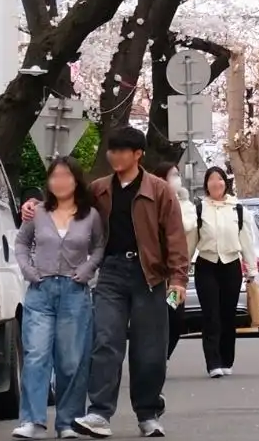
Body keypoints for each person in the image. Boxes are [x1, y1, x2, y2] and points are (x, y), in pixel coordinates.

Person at [23, 127, 188, 439]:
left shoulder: (159, 190)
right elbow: (65, 202)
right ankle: (99, 412)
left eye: (122, 150)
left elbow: (175, 237)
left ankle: (148, 413)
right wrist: (34, 204)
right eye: (112, 150)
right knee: (106, 342)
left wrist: (178, 279)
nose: (115, 156)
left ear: (138, 154)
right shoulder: (99, 189)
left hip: (150, 276)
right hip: (111, 273)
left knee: (149, 349)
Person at [14, 158, 105, 440]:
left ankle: (67, 422)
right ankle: (32, 420)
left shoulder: (90, 215)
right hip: (40, 291)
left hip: (74, 292)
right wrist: (28, 270)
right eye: (55, 176)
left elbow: (99, 246)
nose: (60, 181)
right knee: (36, 356)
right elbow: (21, 242)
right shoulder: (37, 212)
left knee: (71, 360)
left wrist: (87, 270)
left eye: (66, 176)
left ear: (76, 180)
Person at [183, 166, 258, 378]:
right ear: (206, 185)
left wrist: (251, 270)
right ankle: (213, 362)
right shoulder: (200, 209)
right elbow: (191, 243)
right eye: (212, 180)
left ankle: (226, 359)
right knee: (211, 315)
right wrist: (182, 268)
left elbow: (246, 242)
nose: (216, 183)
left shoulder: (237, 209)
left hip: (231, 265)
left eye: (220, 179)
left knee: (227, 315)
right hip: (206, 265)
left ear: (226, 183)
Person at [149, 163, 190, 359]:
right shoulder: (152, 204)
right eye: (172, 175)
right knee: (157, 319)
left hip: (176, 275)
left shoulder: (186, 205)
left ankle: (163, 356)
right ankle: (155, 359)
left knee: (175, 316)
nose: (177, 179)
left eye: (177, 174)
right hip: (157, 275)